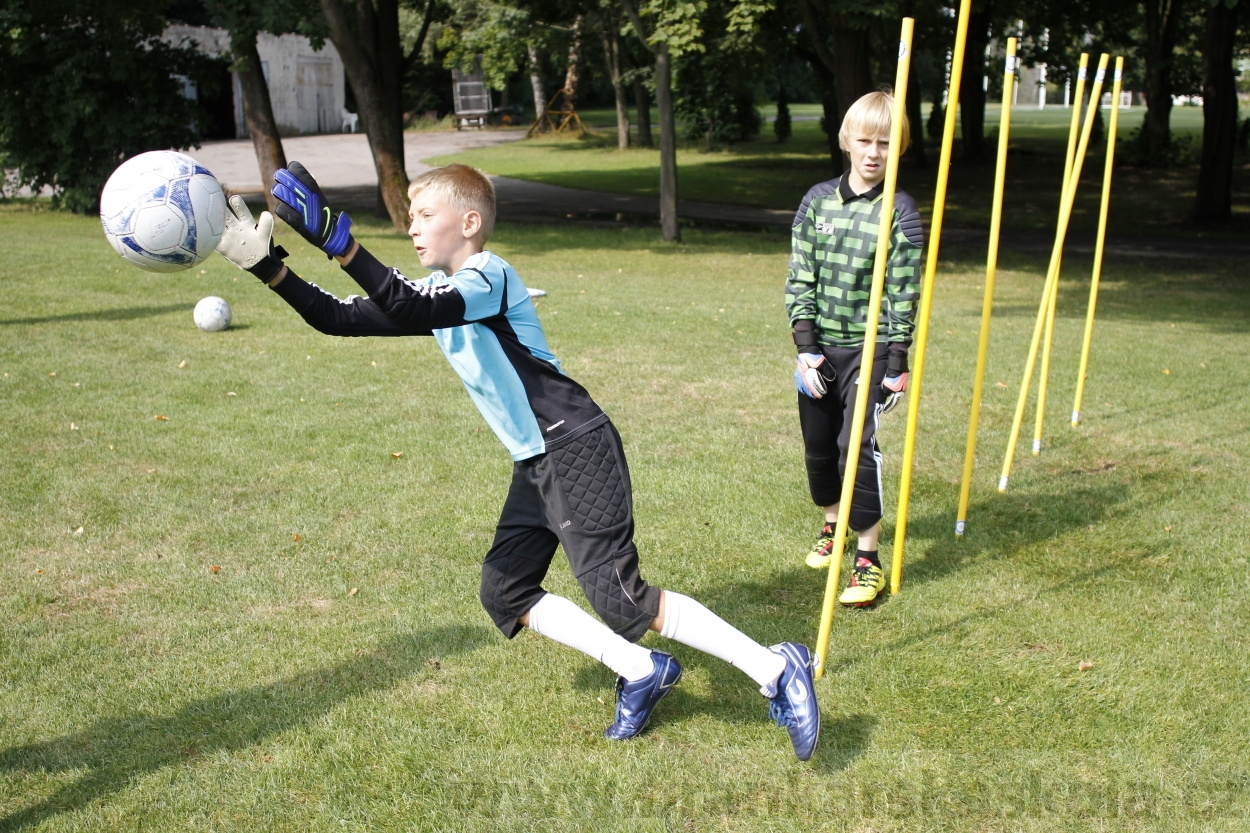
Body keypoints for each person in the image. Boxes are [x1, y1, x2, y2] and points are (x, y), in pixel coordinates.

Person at [213, 162, 821, 760]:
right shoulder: (436, 294)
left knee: (622, 599)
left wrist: (339, 241)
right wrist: (271, 269)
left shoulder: (489, 277)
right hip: (537, 460)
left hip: (574, 445)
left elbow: (412, 307)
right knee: (505, 591)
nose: (414, 228)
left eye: (426, 215)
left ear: (470, 221)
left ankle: (775, 669)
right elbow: (338, 319)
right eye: (411, 218)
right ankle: (642, 671)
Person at [785, 91, 924, 607]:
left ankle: (868, 560)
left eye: (885, 143)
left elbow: (903, 293)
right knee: (820, 446)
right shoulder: (817, 201)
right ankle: (833, 527)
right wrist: (805, 347)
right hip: (820, 349)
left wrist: (897, 362)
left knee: (854, 447)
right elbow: (800, 277)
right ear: (846, 141)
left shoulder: (900, 213)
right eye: (864, 140)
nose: (873, 152)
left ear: (899, 148)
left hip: (872, 350)